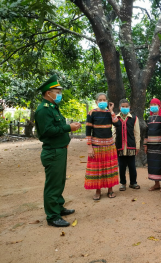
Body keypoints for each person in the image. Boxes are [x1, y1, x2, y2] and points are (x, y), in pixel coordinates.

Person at [35, 75, 81, 227]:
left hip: (60, 150)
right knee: (53, 185)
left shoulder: (53, 108)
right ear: (48, 93)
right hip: (53, 152)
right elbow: (47, 131)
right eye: (57, 91)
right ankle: (53, 216)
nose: (60, 94)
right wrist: (69, 127)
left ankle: (58, 207)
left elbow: (56, 128)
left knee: (59, 182)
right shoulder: (43, 110)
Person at [84, 93, 119, 200]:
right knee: (97, 169)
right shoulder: (92, 113)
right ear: (96, 102)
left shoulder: (110, 113)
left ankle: (110, 190)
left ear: (107, 101)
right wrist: (89, 147)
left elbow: (117, 124)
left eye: (104, 100)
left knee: (110, 168)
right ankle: (98, 191)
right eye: (100, 100)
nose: (102, 101)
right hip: (96, 146)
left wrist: (112, 111)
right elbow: (88, 131)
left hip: (109, 145)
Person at [113, 99, 141, 190]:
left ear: (129, 107)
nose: (125, 108)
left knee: (132, 166)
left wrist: (137, 146)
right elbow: (113, 132)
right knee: (121, 166)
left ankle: (133, 182)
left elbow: (137, 133)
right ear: (119, 107)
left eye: (126, 106)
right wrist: (113, 144)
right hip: (120, 146)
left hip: (131, 146)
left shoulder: (134, 118)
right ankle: (123, 183)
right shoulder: (115, 118)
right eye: (123, 106)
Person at [144, 98, 161, 192]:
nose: (153, 107)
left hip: (160, 145)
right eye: (152, 105)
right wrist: (145, 145)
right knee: (153, 165)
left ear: (159, 106)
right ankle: (156, 184)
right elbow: (146, 132)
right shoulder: (149, 118)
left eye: (155, 105)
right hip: (151, 146)